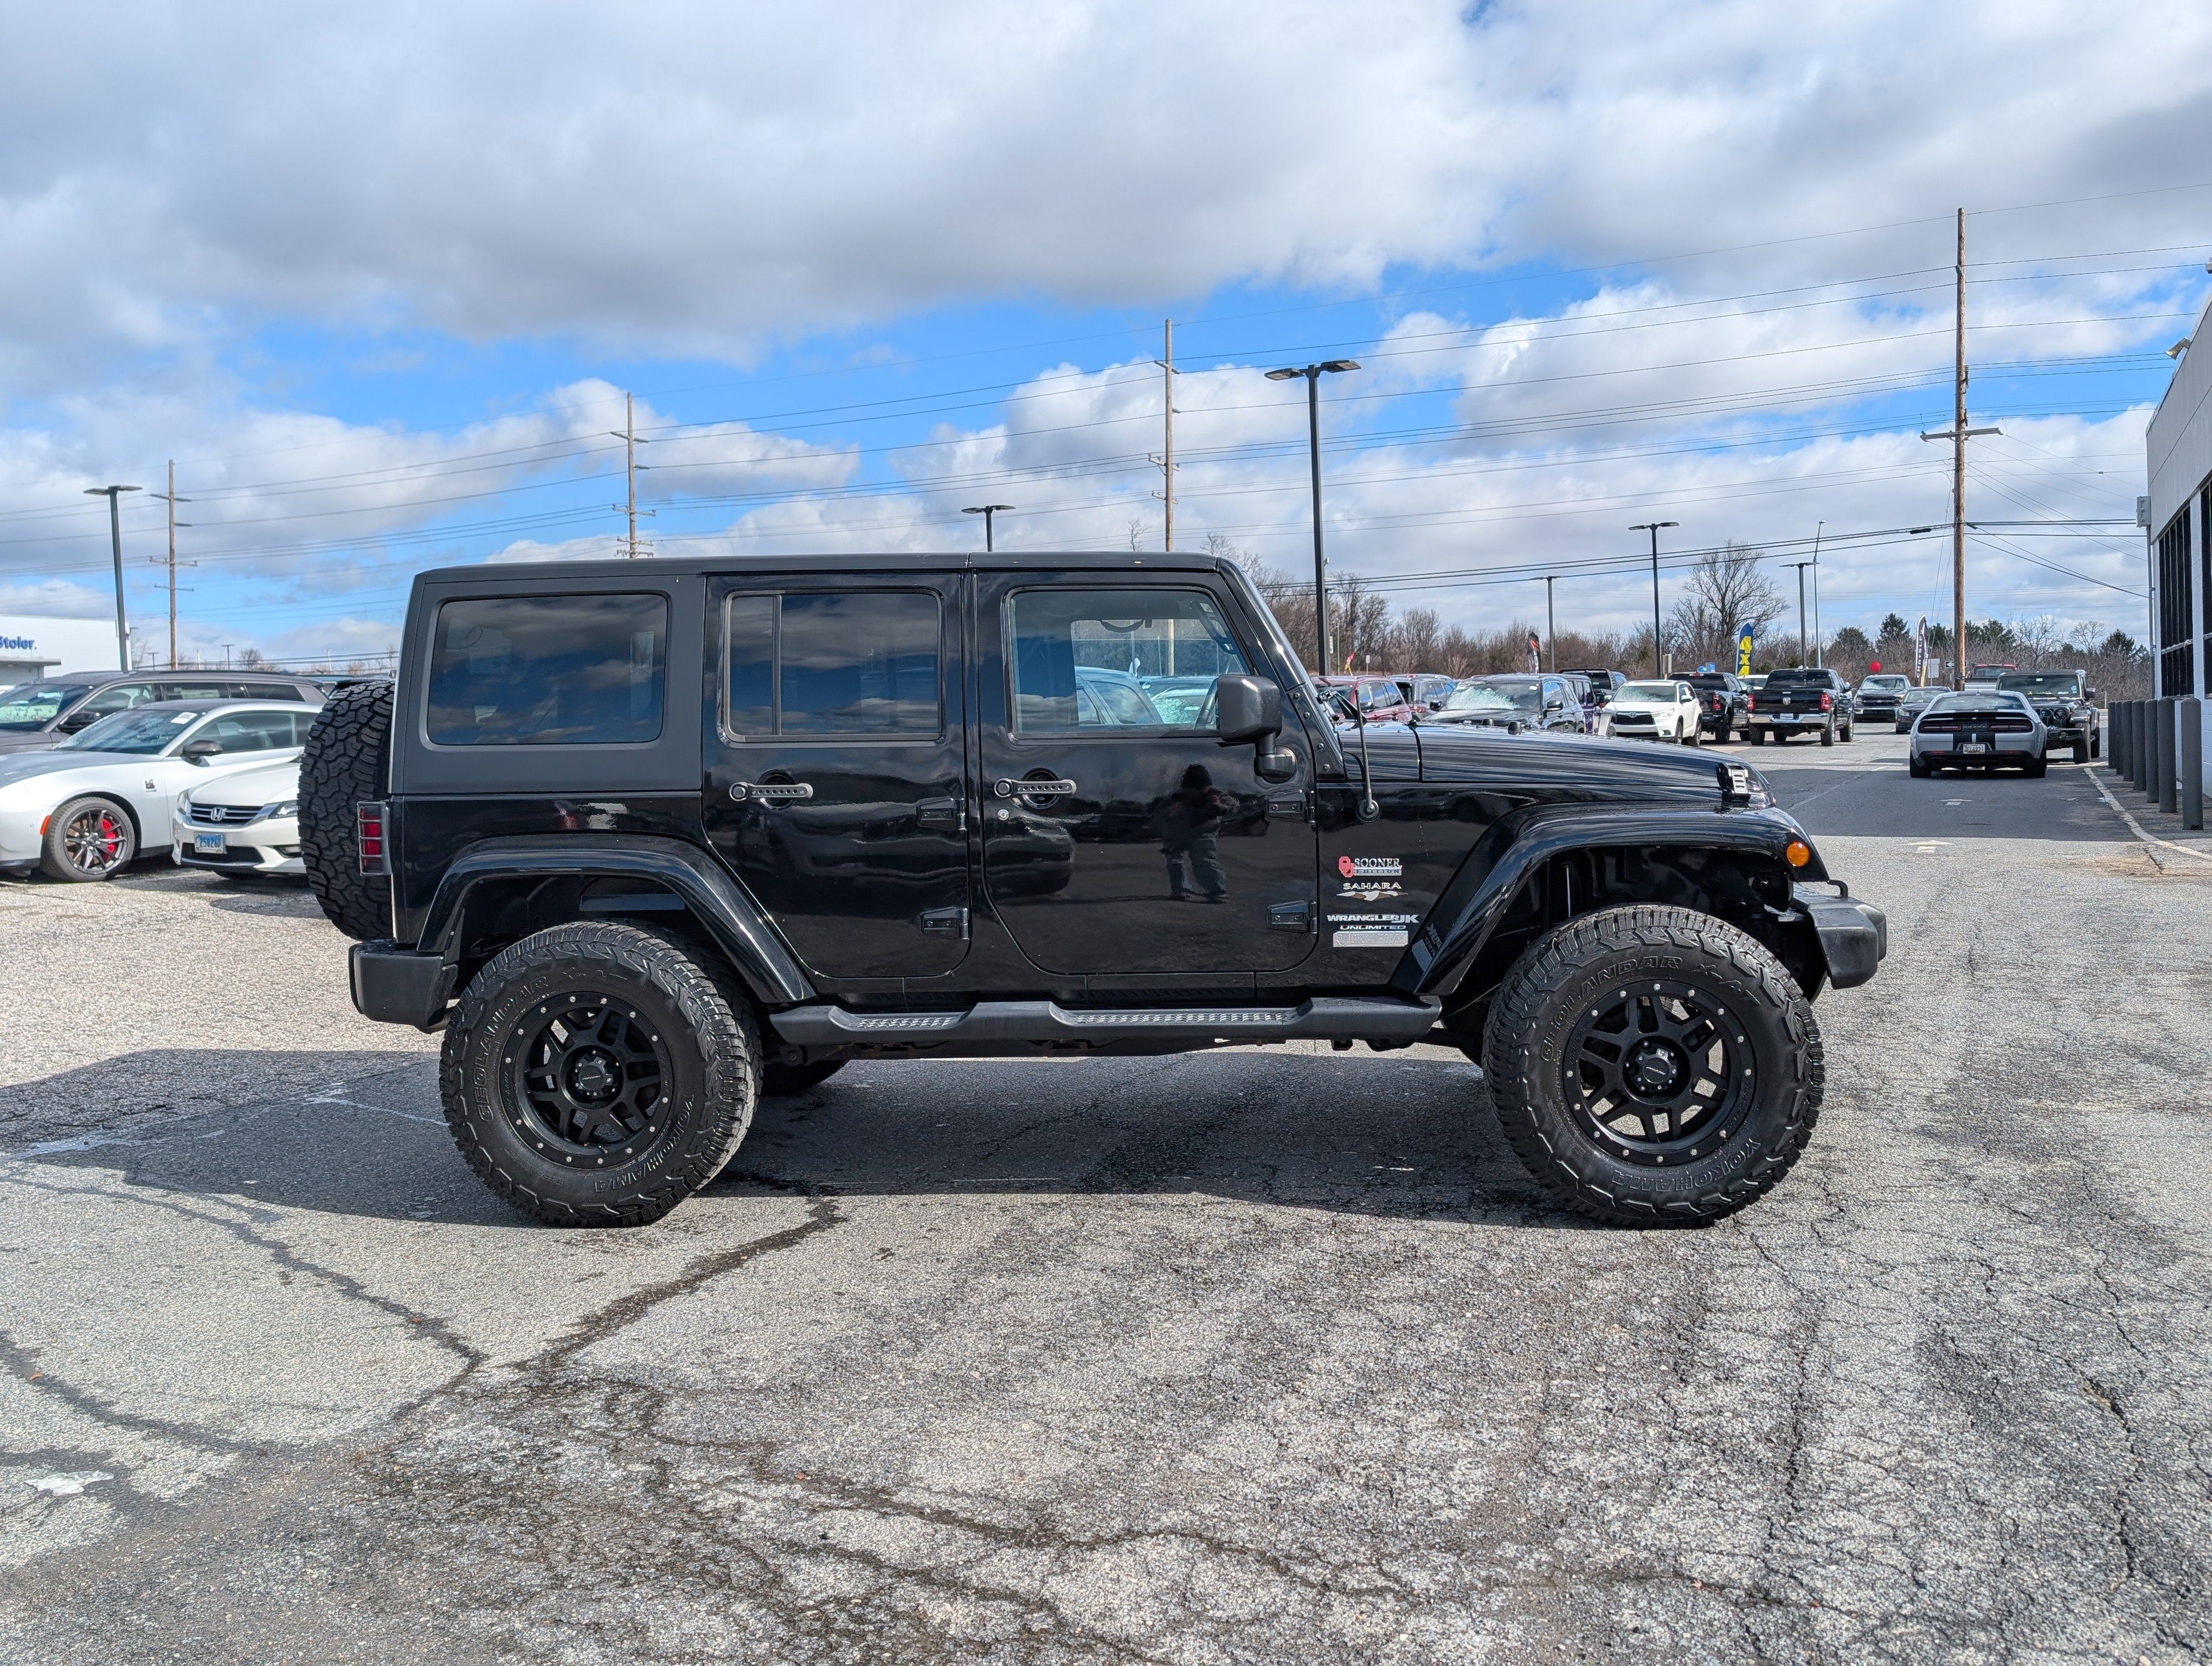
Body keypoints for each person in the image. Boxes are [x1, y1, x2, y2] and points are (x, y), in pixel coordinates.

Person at [1155, 764, 1230, 902]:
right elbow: (1161, 814)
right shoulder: (1178, 798)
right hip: (1177, 833)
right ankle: (1182, 889)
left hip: (1204, 832)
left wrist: (1219, 807)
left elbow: (1231, 805)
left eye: (1204, 788)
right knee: (1176, 861)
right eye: (1194, 789)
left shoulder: (1215, 796)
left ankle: (1217, 890)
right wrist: (1169, 814)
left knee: (1206, 860)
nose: (1201, 792)